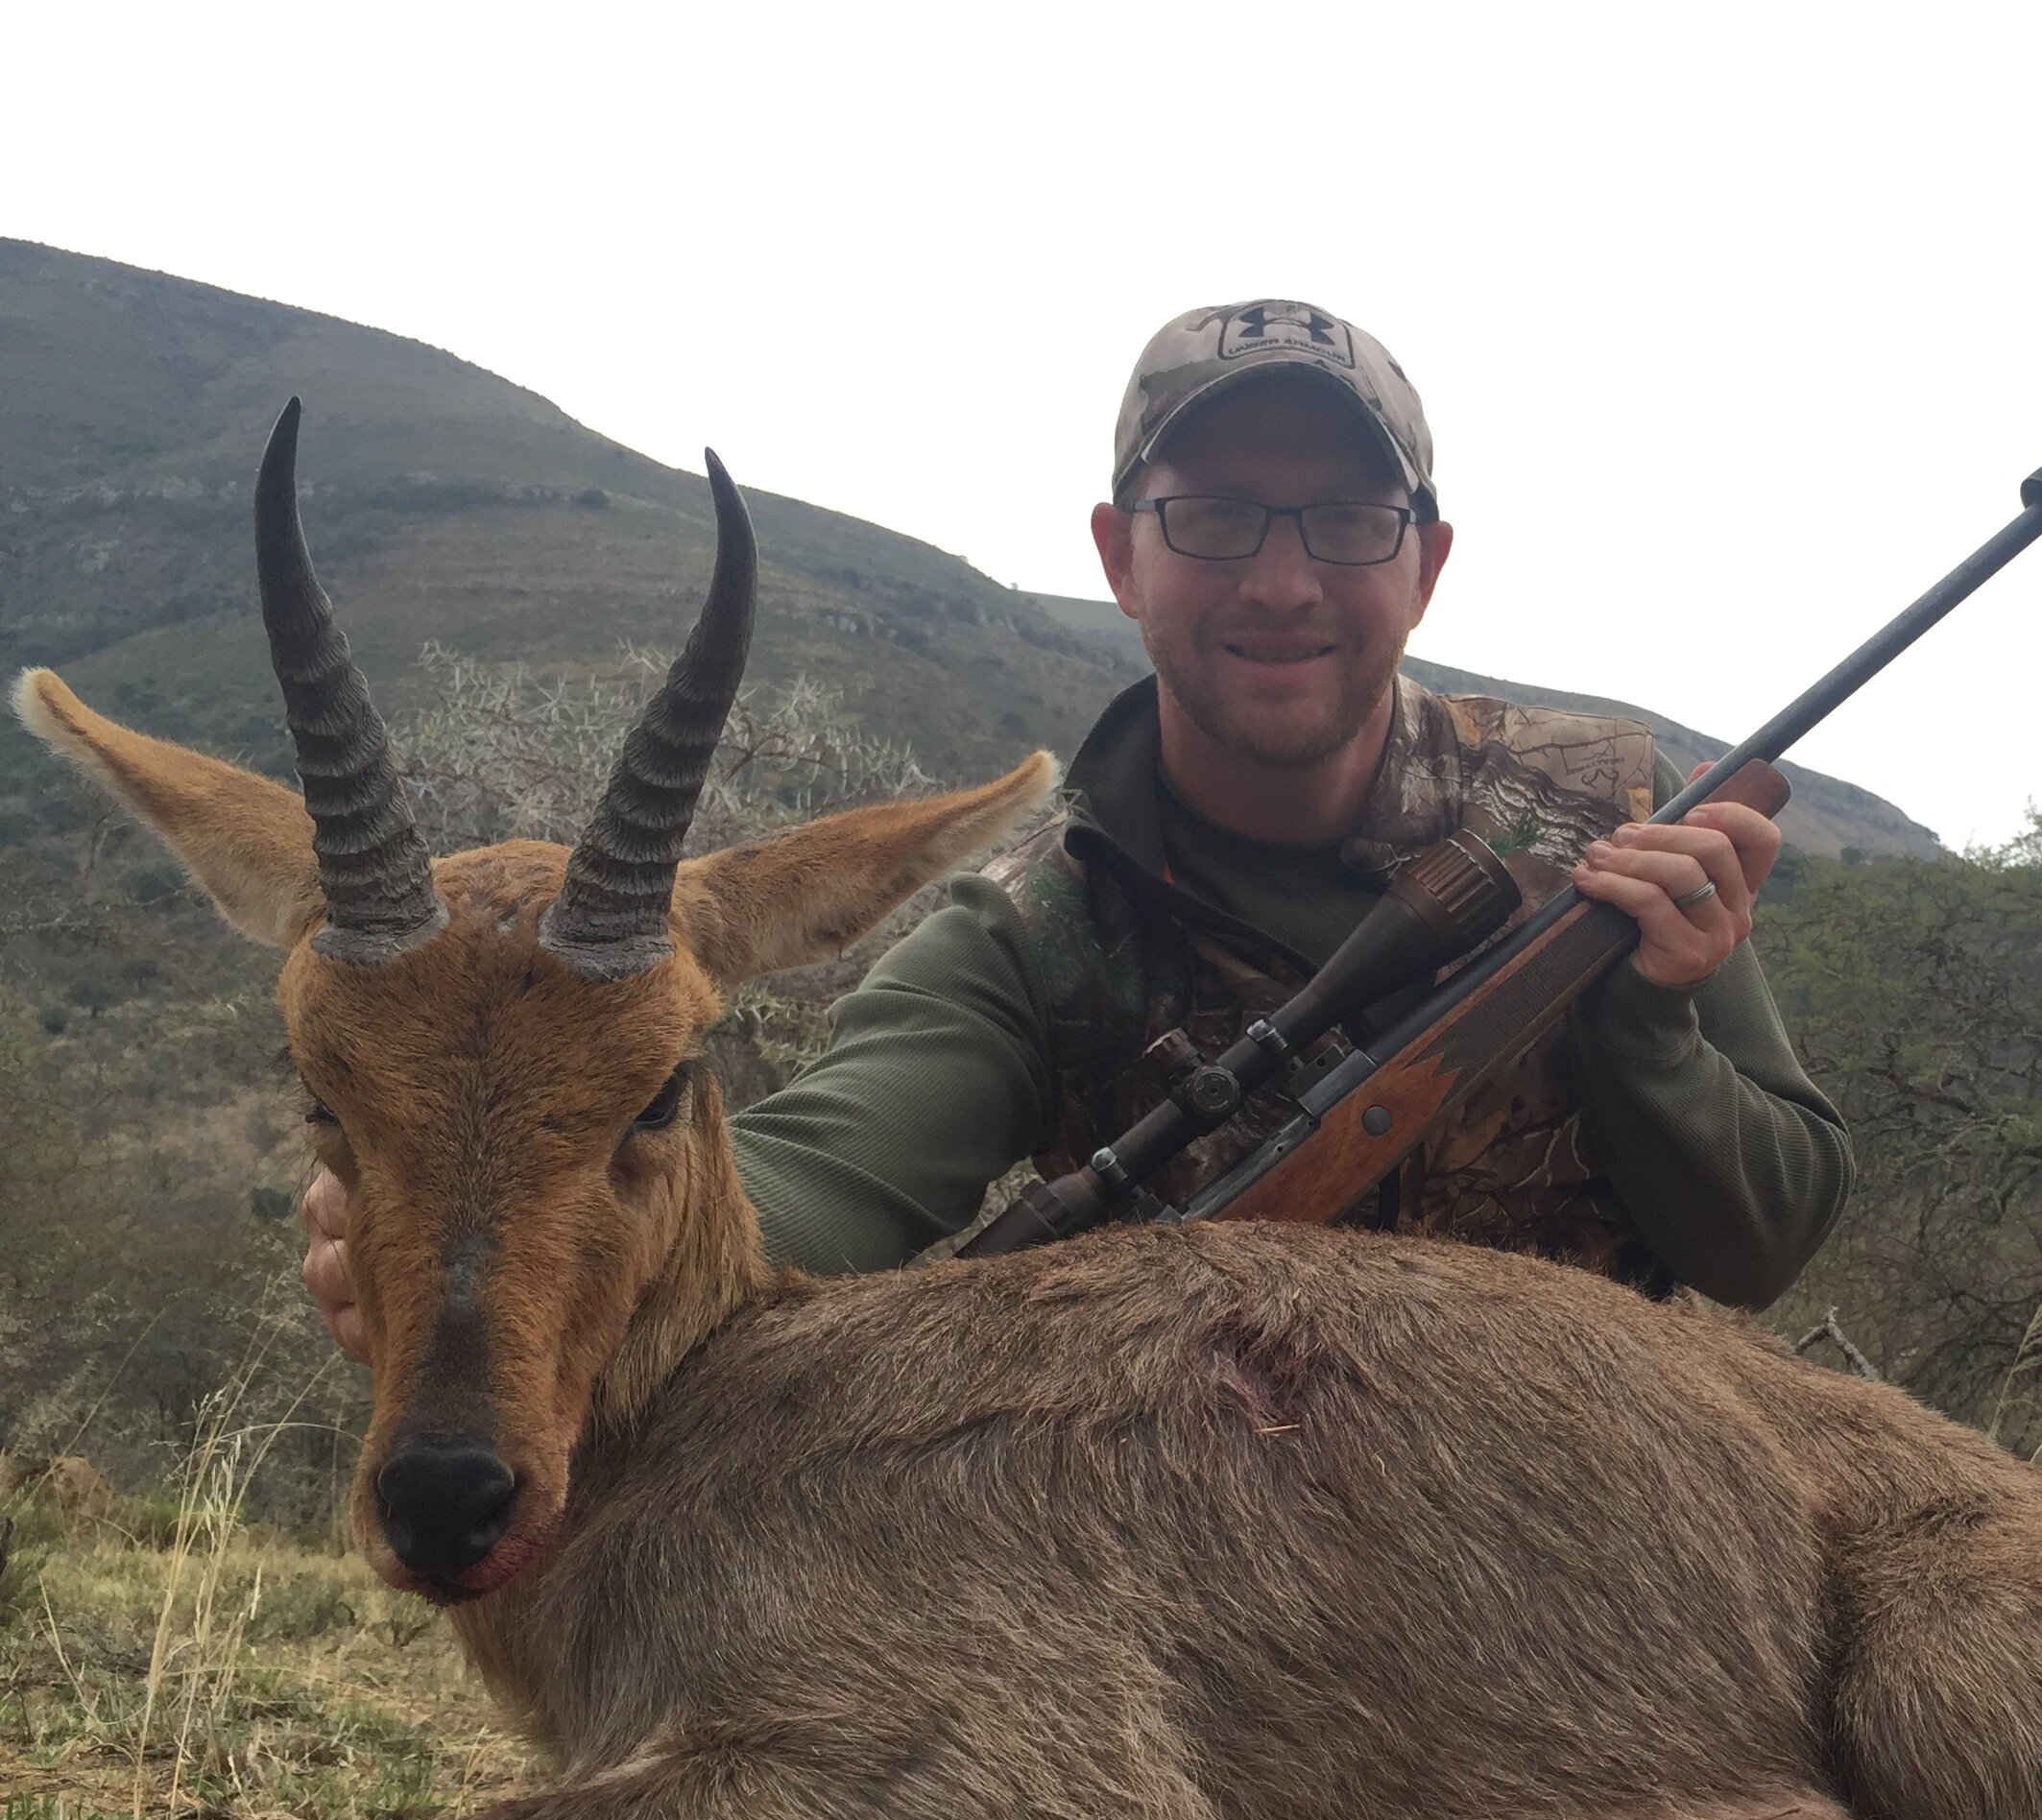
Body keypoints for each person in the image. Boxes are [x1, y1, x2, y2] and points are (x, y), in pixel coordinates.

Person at [302, 299, 1849, 1353]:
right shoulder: (1028, 922)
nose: (1282, 581)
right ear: (1120, 556)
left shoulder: (1610, 822)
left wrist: (1647, 1023)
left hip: (1619, 1545)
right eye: (1215, 517)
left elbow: (1765, 1243)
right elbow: (816, 1187)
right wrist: (498, 1225)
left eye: (1348, 522)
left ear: (1426, 561)